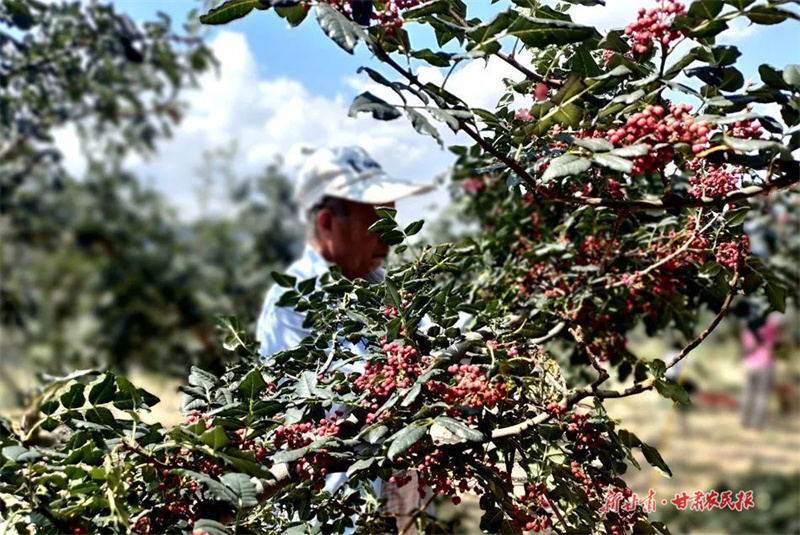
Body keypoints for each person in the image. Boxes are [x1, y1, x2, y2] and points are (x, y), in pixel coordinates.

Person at [256, 145, 434, 532]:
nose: (389, 241)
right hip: (333, 519)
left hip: (393, 508)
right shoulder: (291, 305)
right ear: (327, 223)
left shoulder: (381, 286)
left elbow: (438, 351)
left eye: (393, 223)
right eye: (377, 226)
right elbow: (336, 415)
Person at [740, 313, 782, 430]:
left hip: (750, 365)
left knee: (748, 393)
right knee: (762, 395)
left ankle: (744, 421)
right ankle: (758, 424)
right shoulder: (771, 325)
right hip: (765, 364)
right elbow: (780, 328)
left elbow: (747, 346)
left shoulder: (748, 327)